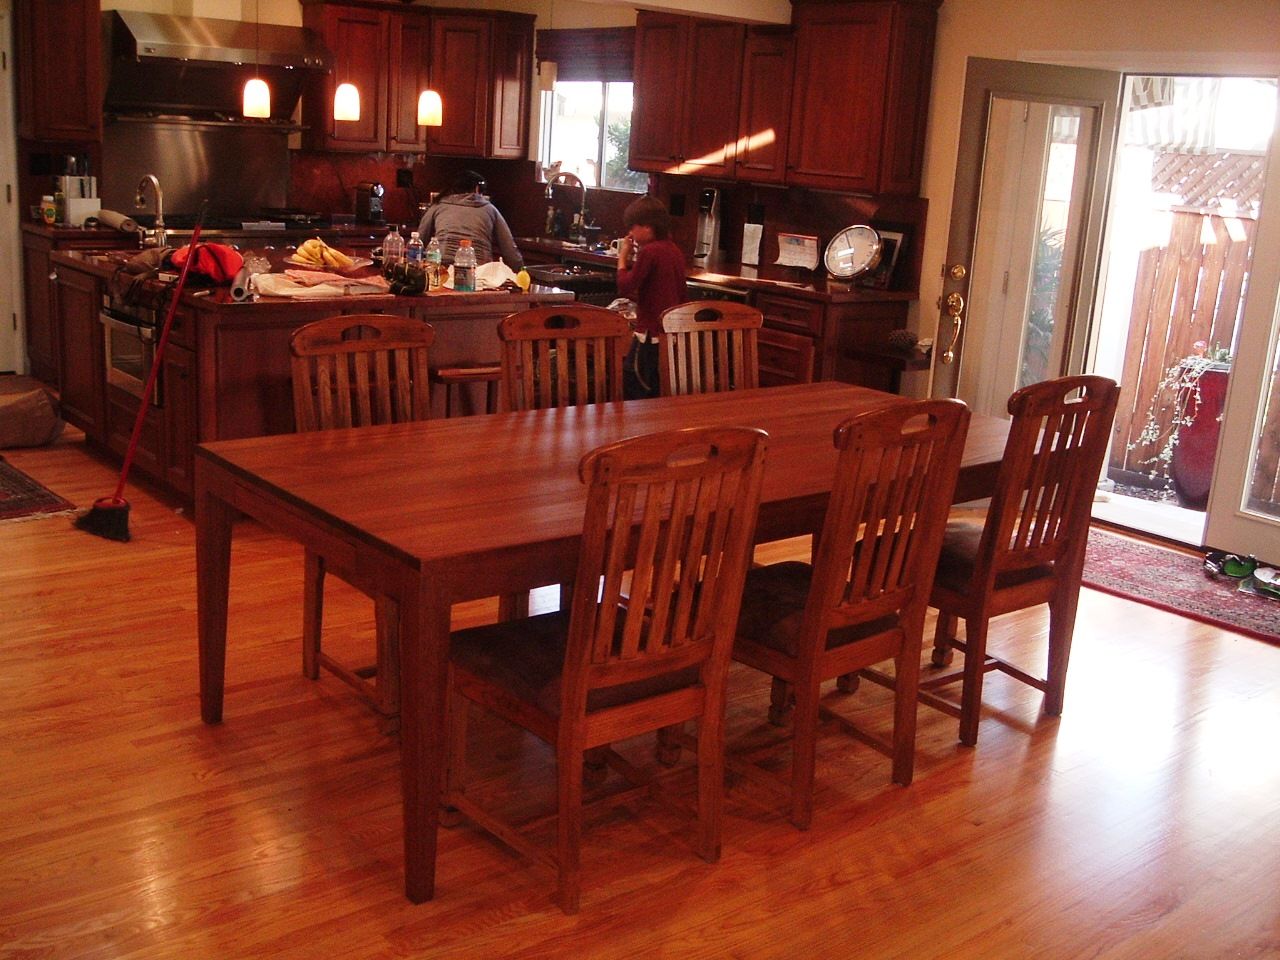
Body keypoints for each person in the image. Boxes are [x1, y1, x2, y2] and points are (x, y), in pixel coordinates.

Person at [615, 195, 687, 398]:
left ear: (647, 227)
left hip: (648, 332)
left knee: (634, 380)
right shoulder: (674, 250)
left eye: (633, 227)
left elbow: (625, 286)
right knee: (656, 385)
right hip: (669, 332)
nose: (630, 232)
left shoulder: (650, 252)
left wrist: (622, 258)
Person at [416, 170, 523, 269]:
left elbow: (420, 239)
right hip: (479, 270)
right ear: (476, 188)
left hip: (442, 268)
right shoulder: (490, 209)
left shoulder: (438, 205)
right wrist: (520, 271)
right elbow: (509, 249)